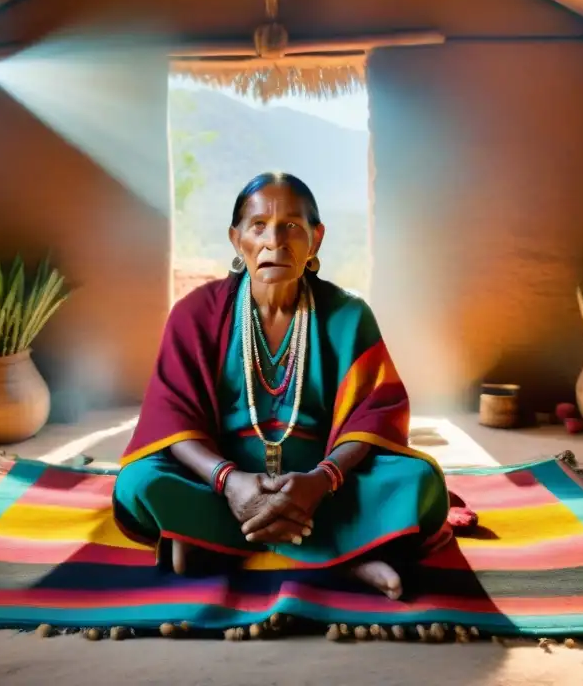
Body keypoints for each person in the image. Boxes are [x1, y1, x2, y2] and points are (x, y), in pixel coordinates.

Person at [113, 172, 454, 600]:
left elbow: (374, 414)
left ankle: (217, 544)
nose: (275, 241)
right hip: (221, 483)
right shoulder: (195, 312)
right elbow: (171, 417)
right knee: (138, 481)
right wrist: (230, 481)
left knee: (420, 481)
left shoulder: (348, 315)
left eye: (292, 226)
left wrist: (321, 480)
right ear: (237, 239)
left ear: (317, 238)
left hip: (321, 486)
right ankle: (345, 555)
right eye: (259, 227)